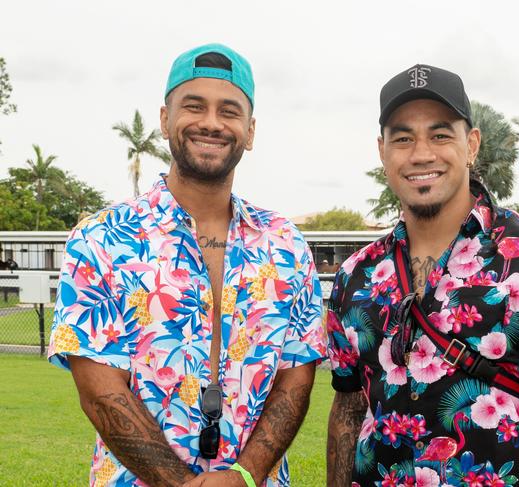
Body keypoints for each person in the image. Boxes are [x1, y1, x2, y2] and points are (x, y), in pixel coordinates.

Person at [326, 64, 519, 486]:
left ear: (472, 144)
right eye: (403, 137)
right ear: (382, 151)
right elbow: (350, 408)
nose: (422, 153)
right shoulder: (356, 275)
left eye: (441, 134)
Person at [48, 43, 326, 487]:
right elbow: (100, 390)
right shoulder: (102, 239)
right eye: (193, 106)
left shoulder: (286, 245)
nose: (211, 123)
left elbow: (295, 379)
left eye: (229, 111)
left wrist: (245, 475)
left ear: (250, 131)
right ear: (164, 119)